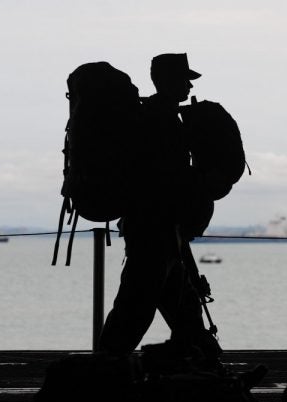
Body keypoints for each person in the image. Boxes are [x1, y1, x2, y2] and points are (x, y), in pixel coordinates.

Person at [99, 54, 219, 366]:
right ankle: (103, 370)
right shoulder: (158, 120)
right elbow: (164, 178)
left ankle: (211, 369)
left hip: (162, 230)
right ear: (166, 81)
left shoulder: (160, 116)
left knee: (184, 308)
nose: (189, 84)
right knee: (136, 308)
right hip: (154, 229)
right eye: (184, 78)